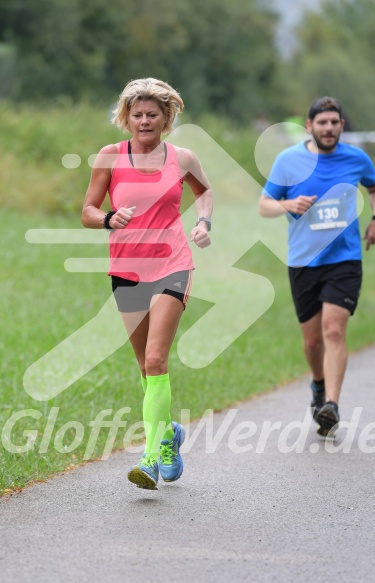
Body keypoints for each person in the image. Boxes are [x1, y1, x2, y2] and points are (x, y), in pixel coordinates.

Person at [81, 78, 213, 489]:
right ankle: (170, 433)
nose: (144, 121)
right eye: (136, 114)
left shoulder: (183, 157)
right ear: (126, 117)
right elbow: (87, 209)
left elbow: (204, 193)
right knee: (144, 366)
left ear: (166, 117)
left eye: (152, 114)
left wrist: (203, 221)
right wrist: (107, 218)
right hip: (127, 269)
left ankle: (152, 455)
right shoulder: (109, 156)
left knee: (156, 360)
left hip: (173, 264)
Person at [259, 96, 375, 435]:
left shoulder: (356, 158)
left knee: (333, 329)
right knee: (313, 342)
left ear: (341, 125)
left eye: (334, 122)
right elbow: (264, 206)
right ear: (309, 126)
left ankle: (331, 403)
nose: (328, 128)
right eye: (322, 123)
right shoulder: (289, 160)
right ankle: (318, 385)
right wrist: (289, 203)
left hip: (344, 258)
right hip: (303, 260)